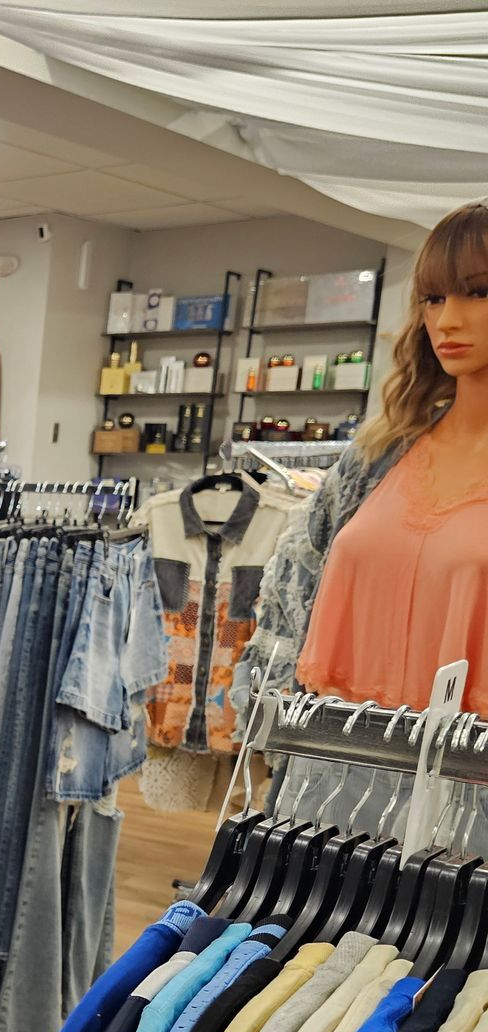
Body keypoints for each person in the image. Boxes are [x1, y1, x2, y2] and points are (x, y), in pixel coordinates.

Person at [237, 199, 488, 728]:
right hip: (330, 758)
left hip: (463, 771)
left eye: (479, 292)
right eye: (433, 298)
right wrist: (264, 722)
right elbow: (290, 595)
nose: (447, 320)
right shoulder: (376, 456)